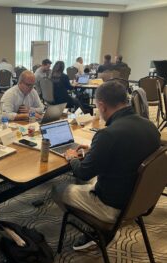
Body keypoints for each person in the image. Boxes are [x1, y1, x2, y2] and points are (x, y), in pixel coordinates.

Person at [53, 80, 160, 251]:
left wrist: (72, 157)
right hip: (138, 200)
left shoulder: (108, 134)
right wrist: (94, 150)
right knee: (90, 181)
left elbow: (83, 173)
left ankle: (97, 229)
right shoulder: (151, 127)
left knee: (58, 189)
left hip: (113, 207)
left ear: (101, 106)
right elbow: (128, 151)